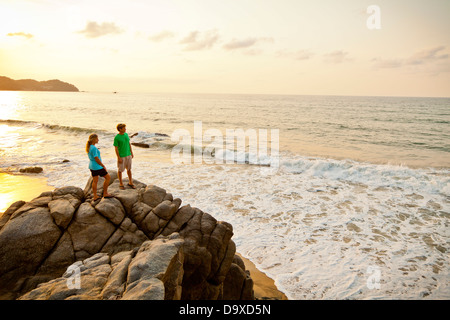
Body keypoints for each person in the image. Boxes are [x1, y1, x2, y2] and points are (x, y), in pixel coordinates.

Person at [86, 133, 113, 201]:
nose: (98, 140)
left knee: (95, 181)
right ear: (94, 139)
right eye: (97, 138)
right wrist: (102, 165)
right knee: (108, 177)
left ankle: (95, 196)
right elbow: (96, 158)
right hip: (97, 166)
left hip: (91, 166)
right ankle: (105, 193)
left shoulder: (89, 147)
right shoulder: (94, 148)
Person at [113, 123, 136, 189]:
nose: (125, 129)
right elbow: (116, 148)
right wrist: (118, 157)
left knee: (129, 169)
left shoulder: (126, 134)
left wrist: (131, 152)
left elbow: (129, 143)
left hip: (128, 155)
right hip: (122, 156)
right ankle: (121, 183)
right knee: (120, 170)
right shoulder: (117, 137)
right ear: (120, 129)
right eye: (124, 128)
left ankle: (130, 182)